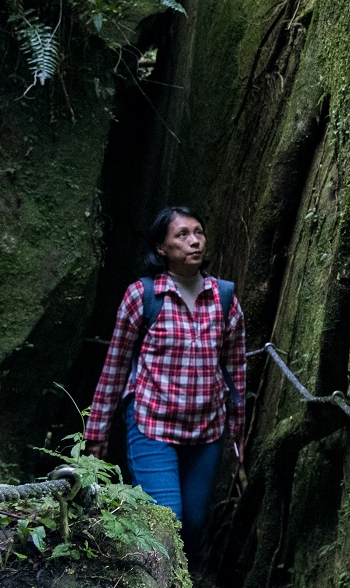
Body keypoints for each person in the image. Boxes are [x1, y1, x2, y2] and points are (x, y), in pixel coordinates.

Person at [84, 206, 247, 554]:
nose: (194, 241)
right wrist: (96, 432)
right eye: (182, 235)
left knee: (196, 521)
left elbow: (234, 369)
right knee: (164, 520)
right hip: (152, 424)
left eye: (199, 232)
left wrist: (238, 427)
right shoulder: (142, 296)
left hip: (207, 430)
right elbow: (114, 367)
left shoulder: (225, 298)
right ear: (161, 248)